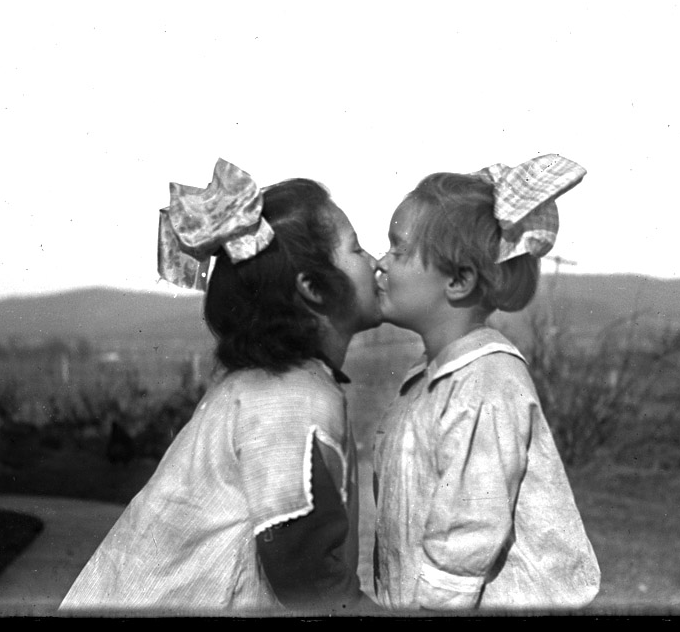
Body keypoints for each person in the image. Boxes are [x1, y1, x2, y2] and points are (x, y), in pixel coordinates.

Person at [59, 159, 382, 615]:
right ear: (313, 288)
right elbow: (302, 569)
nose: (375, 261)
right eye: (357, 249)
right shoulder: (289, 399)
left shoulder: (269, 387)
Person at [371, 154, 601, 612]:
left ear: (458, 280)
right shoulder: (433, 378)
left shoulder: (487, 382)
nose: (381, 264)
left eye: (397, 251)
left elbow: (467, 537)